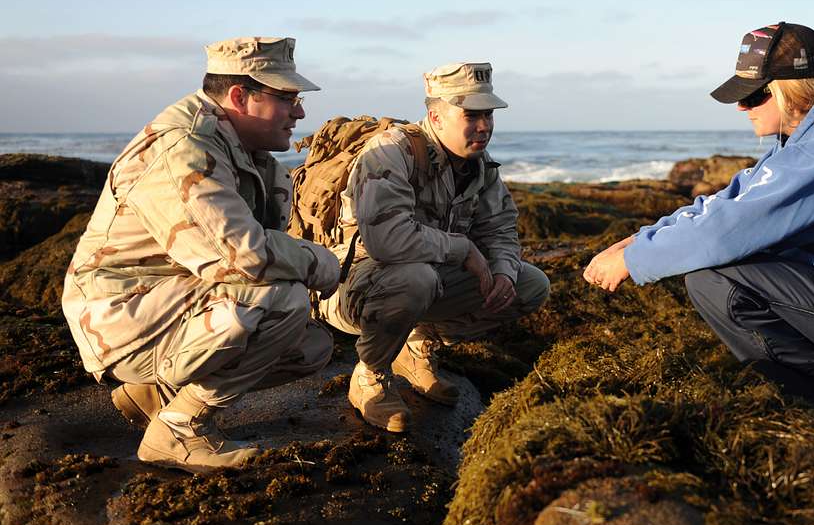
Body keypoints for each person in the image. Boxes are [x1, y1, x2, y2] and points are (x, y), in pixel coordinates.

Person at [583, 22, 814, 426]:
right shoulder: (811, 140)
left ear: (793, 90)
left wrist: (635, 261)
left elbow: (723, 231)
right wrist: (638, 241)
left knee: (715, 278)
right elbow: (723, 204)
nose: (742, 107)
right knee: (728, 261)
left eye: (754, 95)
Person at [62, 37, 341, 472]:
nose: (300, 112)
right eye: (287, 98)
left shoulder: (248, 151)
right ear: (238, 96)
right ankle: (178, 430)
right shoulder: (186, 147)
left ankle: (153, 394)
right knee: (279, 300)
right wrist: (319, 260)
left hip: (161, 299)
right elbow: (240, 256)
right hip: (116, 312)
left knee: (310, 346)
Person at [318, 62, 550, 432]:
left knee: (530, 284)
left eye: (488, 114)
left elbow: (500, 228)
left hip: (423, 282)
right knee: (415, 278)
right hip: (350, 289)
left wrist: (504, 271)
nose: (484, 126)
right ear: (436, 117)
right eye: (471, 115)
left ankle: (416, 348)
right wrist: (462, 250)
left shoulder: (480, 166)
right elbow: (386, 240)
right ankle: (370, 377)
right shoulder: (390, 151)